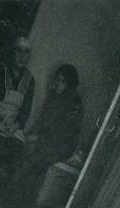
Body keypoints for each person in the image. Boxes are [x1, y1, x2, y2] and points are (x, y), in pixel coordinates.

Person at [17, 64, 83, 198]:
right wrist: (32, 134)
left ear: (69, 84)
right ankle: (20, 192)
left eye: (63, 81)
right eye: (57, 79)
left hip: (61, 145)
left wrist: (38, 138)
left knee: (35, 158)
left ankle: (25, 195)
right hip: (45, 139)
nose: (58, 84)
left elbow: (63, 132)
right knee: (24, 147)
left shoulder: (75, 104)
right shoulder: (53, 96)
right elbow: (42, 119)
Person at [0, 37, 35, 170]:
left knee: (17, 149)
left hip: (13, 126)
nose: (22, 56)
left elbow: (25, 110)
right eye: (19, 51)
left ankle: (1, 177)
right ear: (12, 53)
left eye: (26, 52)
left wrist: (15, 126)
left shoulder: (30, 80)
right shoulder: (1, 72)